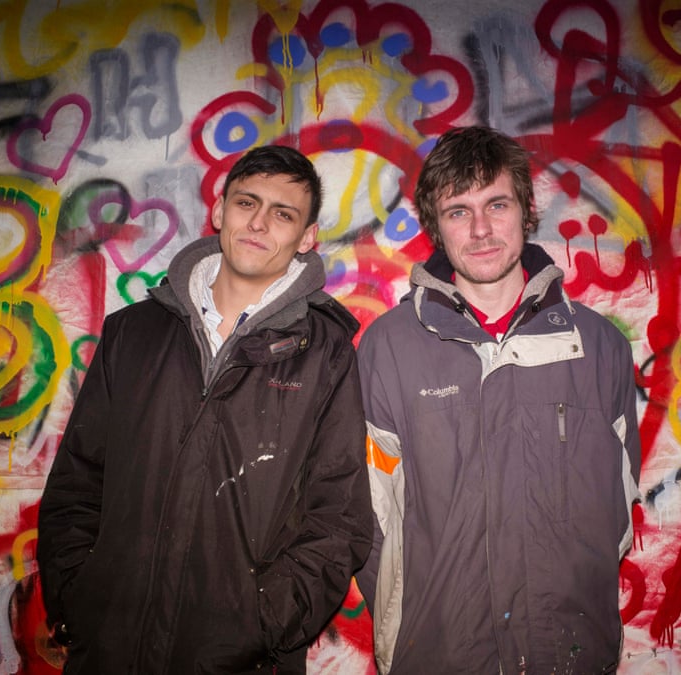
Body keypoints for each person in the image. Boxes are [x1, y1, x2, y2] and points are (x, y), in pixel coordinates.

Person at [37, 145, 374, 674]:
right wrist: (79, 596)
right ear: (219, 211)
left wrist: (263, 623)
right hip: (108, 650)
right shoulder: (132, 333)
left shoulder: (325, 355)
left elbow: (339, 518)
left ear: (307, 237)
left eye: (283, 214)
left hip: (240, 661)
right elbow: (77, 481)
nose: (258, 223)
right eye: (247, 202)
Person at [356, 126, 642, 674]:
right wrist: (407, 625)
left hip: (569, 656)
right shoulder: (389, 348)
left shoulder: (598, 345)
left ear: (526, 210)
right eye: (458, 211)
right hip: (439, 656)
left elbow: (617, 509)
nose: (481, 229)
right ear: (436, 226)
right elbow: (370, 518)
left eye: (497, 204)